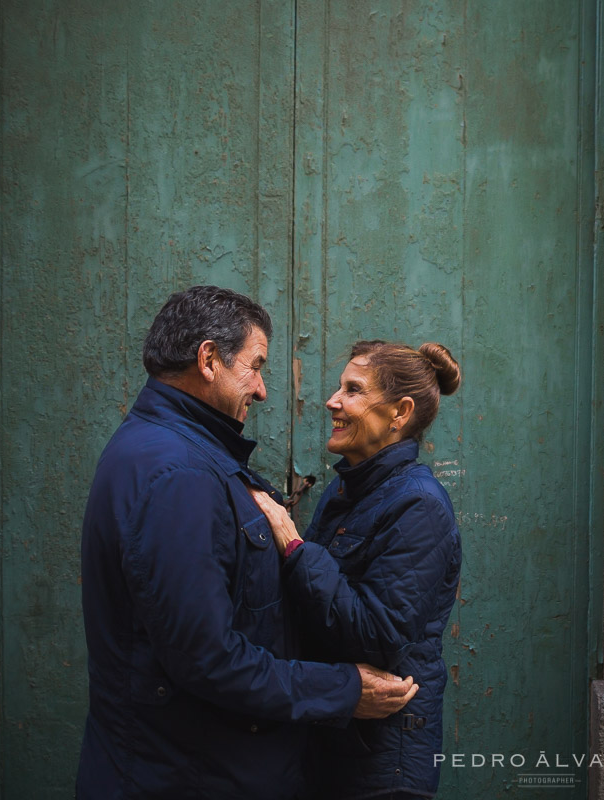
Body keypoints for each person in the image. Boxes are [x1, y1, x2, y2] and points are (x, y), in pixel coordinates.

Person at [77, 286, 418, 800]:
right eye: (254, 366)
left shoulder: (179, 453)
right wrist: (344, 690)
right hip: (185, 776)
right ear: (209, 360)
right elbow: (207, 656)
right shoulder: (178, 473)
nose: (261, 390)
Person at [250, 340, 463, 800]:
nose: (333, 400)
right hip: (336, 738)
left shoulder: (418, 505)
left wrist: (293, 543)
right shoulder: (350, 486)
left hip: (383, 761)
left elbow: (377, 633)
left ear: (399, 413)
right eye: (338, 386)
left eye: (353, 389)